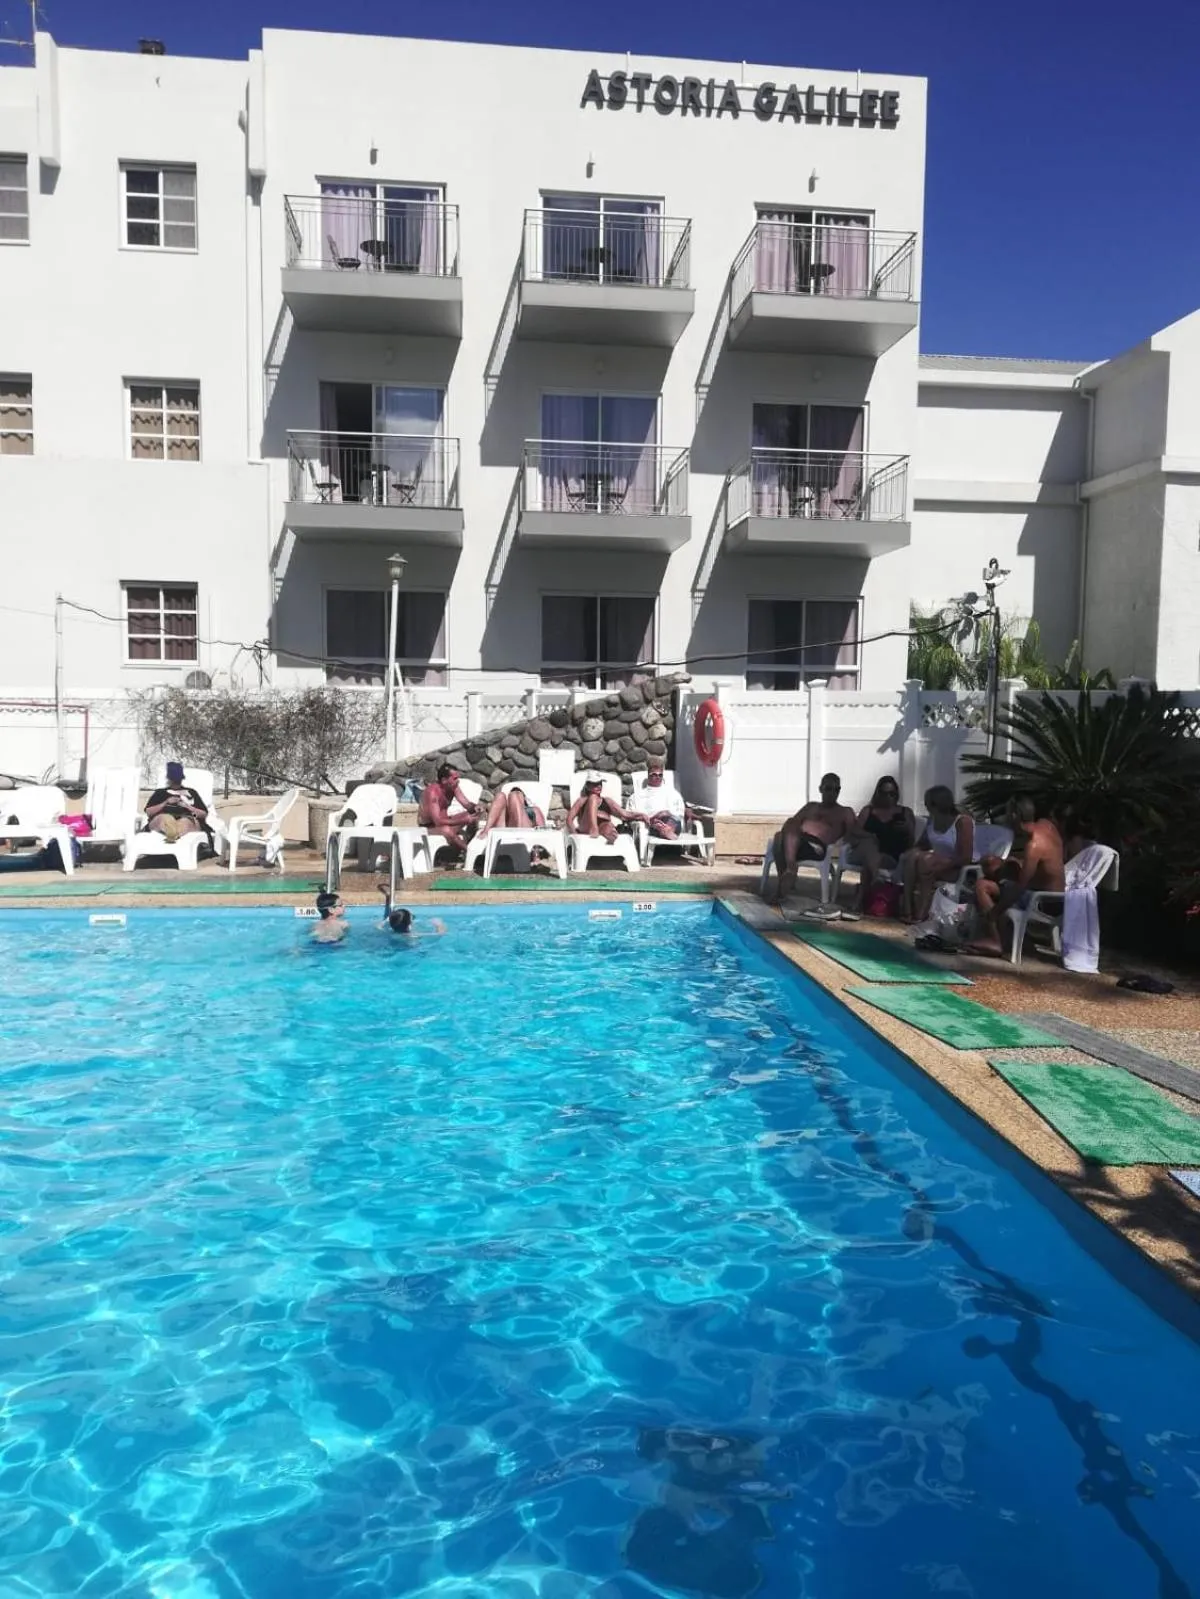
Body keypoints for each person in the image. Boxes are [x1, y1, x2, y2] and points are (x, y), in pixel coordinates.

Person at [968, 796, 1064, 955]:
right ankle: (1004, 934)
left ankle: (995, 939)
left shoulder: (1033, 845)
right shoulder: (1047, 826)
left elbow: (1020, 887)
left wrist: (994, 913)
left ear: (1014, 816)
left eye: (1006, 813)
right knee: (993, 865)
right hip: (1055, 895)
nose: (1004, 818)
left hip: (1044, 902)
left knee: (982, 886)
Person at [771, 773, 857, 903]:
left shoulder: (845, 812)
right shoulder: (811, 807)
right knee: (781, 835)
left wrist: (842, 846)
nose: (832, 792)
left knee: (780, 839)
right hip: (798, 841)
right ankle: (788, 874)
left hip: (818, 847)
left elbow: (852, 833)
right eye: (828, 788)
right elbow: (791, 824)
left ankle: (787, 877)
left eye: (836, 789)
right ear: (820, 789)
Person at [899, 786, 975, 923]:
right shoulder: (933, 820)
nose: (925, 805)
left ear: (936, 804)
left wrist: (939, 867)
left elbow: (965, 857)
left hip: (957, 867)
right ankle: (908, 907)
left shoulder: (962, 822)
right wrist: (910, 853)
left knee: (925, 861)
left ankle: (920, 913)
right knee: (913, 857)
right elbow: (923, 844)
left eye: (927, 802)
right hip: (935, 862)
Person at [845, 776, 917, 910]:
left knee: (871, 859)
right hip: (861, 852)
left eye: (892, 794)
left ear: (896, 794)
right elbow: (854, 831)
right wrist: (871, 835)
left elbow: (912, 839)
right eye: (884, 793)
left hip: (890, 856)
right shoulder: (868, 810)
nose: (888, 797)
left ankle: (859, 901)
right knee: (869, 845)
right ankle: (876, 877)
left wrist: (905, 829)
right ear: (877, 793)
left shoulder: (905, 813)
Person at [418, 763, 481, 859]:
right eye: (455, 778)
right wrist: (462, 820)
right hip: (428, 827)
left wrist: (475, 807)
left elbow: (466, 804)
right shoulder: (432, 793)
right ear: (444, 780)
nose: (458, 781)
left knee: (473, 814)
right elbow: (438, 821)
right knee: (447, 830)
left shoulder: (453, 787)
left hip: (445, 822)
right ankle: (470, 853)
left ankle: (471, 843)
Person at [142, 761, 210, 845]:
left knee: (185, 822)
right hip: (164, 817)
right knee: (163, 819)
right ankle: (172, 831)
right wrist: (165, 802)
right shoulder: (160, 792)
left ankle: (173, 833)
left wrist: (188, 806)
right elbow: (149, 812)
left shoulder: (191, 792)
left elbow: (203, 814)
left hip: (187, 817)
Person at [567, 776, 644, 845]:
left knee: (608, 826)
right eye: (595, 784)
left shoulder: (607, 801)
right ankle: (593, 828)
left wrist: (642, 816)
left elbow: (625, 814)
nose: (599, 786)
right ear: (588, 786)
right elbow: (569, 819)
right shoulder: (582, 800)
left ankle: (608, 847)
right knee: (593, 797)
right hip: (586, 829)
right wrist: (575, 836)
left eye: (600, 783)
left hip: (602, 828)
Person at [377, 884, 446, 937]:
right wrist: (439, 924)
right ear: (410, 925)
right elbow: (440, 934)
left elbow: (379, 925)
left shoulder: (387, 931)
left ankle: (388, 897)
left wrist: (386, 920)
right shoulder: (412, 936)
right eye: (412, 917)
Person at [476, 784, 546, 836]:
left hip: (525, 832)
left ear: (524, 799)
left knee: (514, 795)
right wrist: (482, 807)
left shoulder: (534, 809)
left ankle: (518, 833)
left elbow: (543, 830)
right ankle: (486, 831)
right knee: (500, 795)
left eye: (520, 795)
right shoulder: (506, 810)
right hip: (506, 830)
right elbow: (491, 808)